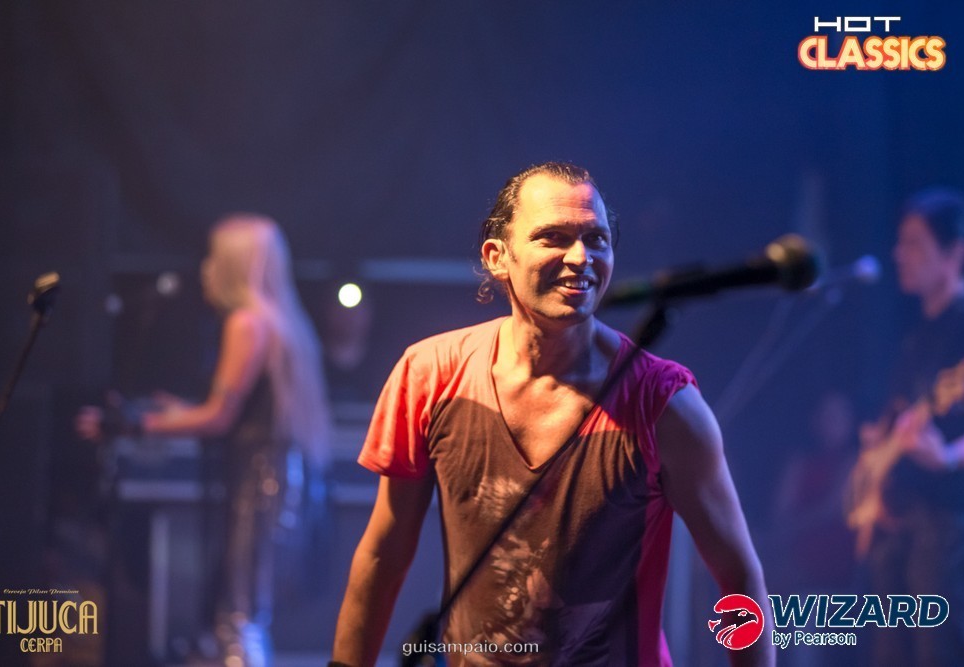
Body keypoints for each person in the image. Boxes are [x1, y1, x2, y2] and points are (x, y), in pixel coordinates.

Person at [331, 162, 773, 666]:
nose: (581, 257)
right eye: (554, 238)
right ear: (498, 257)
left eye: (596, 239)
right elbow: (383, 554)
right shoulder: (430, 374)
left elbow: (738, 578)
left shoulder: (665, 402)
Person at [78, 213, 332, 667]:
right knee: (245, 611)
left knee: (238, 616)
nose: (205, 269)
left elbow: (218, 418)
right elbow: (237, 412)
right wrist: (173, 411)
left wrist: (134, 425)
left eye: (213, 257)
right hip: (274, 475)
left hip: (257, 480)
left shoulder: (247, 324)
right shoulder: (279, 323)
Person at [854, 188, 964, 666]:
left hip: (948, 519)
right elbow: (897, 417)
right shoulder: (917, 338)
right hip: (900, 518)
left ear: (955, 252)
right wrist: (878, 447)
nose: (900, 254)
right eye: (900, 243)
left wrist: (949, 456)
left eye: (915, 243)